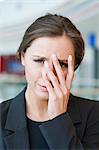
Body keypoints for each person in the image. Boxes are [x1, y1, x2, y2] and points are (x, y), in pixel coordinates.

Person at [0, 13, 99, 150]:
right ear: (23, 57)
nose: (49, 75)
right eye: (39, 61)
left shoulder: (94, 116)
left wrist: (59, 119)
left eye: (62, 64)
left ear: (74, 67)